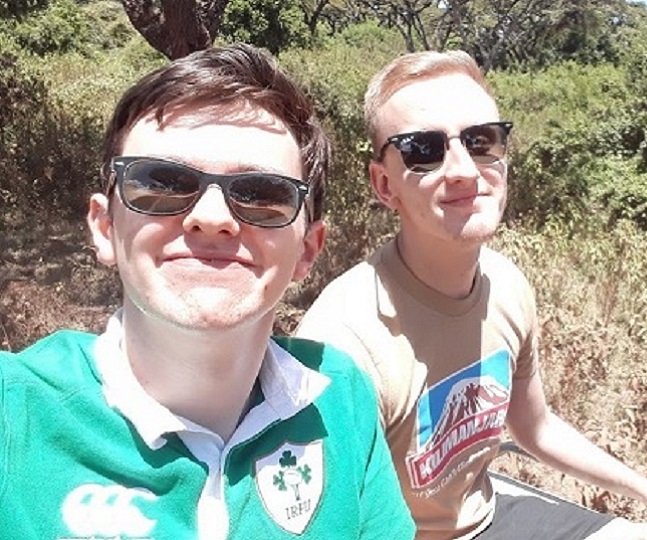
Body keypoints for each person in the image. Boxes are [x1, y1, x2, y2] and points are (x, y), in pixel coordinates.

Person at [0, 44, 414, 540]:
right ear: (105, 226)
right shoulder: (15, 413)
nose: (213, 218)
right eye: (161, 182)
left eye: (262, 193)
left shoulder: (339, 398)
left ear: (308, 248)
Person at [295, 50, 647, 540]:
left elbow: (535, 429)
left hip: (490, 516)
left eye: (481, 141)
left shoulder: (506, 286)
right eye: (424, 149)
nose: (463, 169)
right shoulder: (345, 344)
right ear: (384, 184)